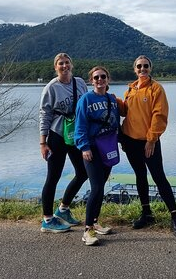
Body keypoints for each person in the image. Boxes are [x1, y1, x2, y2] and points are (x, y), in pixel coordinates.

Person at [122, 55, 176, 237]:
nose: (142, 69)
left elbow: (159, 116)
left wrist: (151, 140)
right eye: (139, 66)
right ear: (134, 69)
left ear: (150, 68)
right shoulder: (130, 89)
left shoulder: (156, 89)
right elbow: (126, 111)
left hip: (149, 142)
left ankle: (175, 218)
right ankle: (146, 213)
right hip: (130, 141)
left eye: (146, 66)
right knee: (140, 176)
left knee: (159, 177)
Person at [39, 53, 88, 233]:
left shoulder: (80, 83)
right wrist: (43, 143)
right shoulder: (51, 88)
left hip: (76, 134)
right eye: (61, 63)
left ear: (71, 65)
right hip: (57, 135)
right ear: (55, 67)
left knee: (83, 172)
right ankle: (48, 220)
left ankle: (64, 209)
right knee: (53, 177)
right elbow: (44, 115)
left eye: (67, 62)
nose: (64, 66)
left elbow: (86, 105)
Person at [74, 66, 122, 246]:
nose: (100, 80)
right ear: (91, 81)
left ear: (108, 79)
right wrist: (84, 146)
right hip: (92, 148)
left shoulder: (112, 99)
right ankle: (87, 230)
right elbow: (80, 125)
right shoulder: (86, 99)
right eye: (96, 78)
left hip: (107, 147)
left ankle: (94, 221)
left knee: (101, 186)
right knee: (96, 188)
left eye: (103, 77)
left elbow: (116, 122)